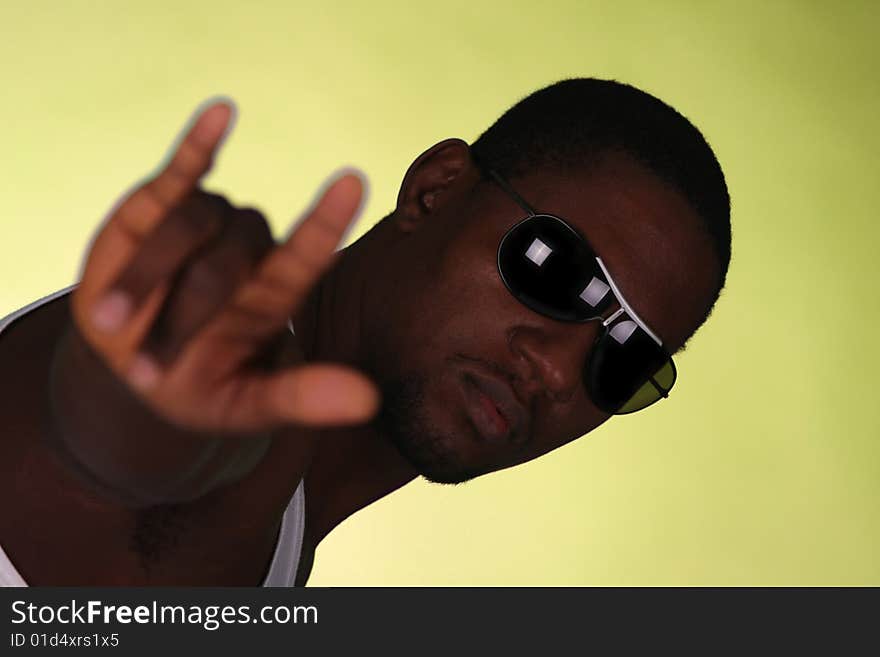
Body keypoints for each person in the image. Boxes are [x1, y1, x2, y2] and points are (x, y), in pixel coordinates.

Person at [0, 78, 730, 586]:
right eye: (556, 269)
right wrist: (118, 415)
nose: (560, 370)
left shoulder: (285, 531)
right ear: (435, 188)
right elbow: (114, 451)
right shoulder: (239, 390)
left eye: (627, 357)